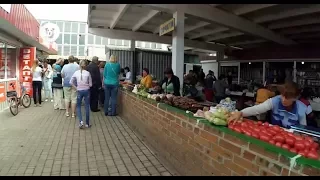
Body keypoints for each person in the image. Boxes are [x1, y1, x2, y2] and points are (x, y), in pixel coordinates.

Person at [229, 82, 311, 128]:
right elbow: (257, 109)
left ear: (295, 98)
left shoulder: (301, 108)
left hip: (290, 139)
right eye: (282, 95)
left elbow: (302, 129)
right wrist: (241, 113)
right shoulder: (275, 101)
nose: (283, 99)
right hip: (274, 135)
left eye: (287, 97)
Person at [70, 60, 92, 129]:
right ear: (86, 66)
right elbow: (91, 84)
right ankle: (87, 123)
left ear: (79, 65)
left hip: (79, 91)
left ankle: (81, 122)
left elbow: (71, 82)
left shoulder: (76, 73)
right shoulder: (88, 73)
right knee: (87, 106)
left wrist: (76, 88)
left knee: (78, 106)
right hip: (87, 91)